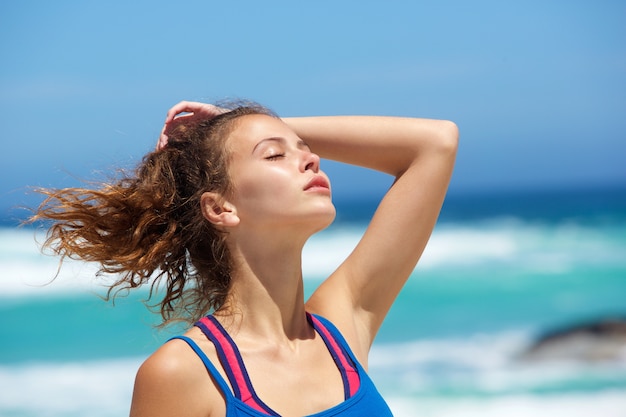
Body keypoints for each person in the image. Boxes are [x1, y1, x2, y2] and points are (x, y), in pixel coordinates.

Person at [33, 100, 458, 416]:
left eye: (305, 150)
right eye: (275, 155)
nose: (311, 159)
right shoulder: (182, 373)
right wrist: (233, 132)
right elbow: (433, 144)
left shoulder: (342, 330)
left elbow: (436, 142)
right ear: (221, 208)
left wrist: (237, 128)